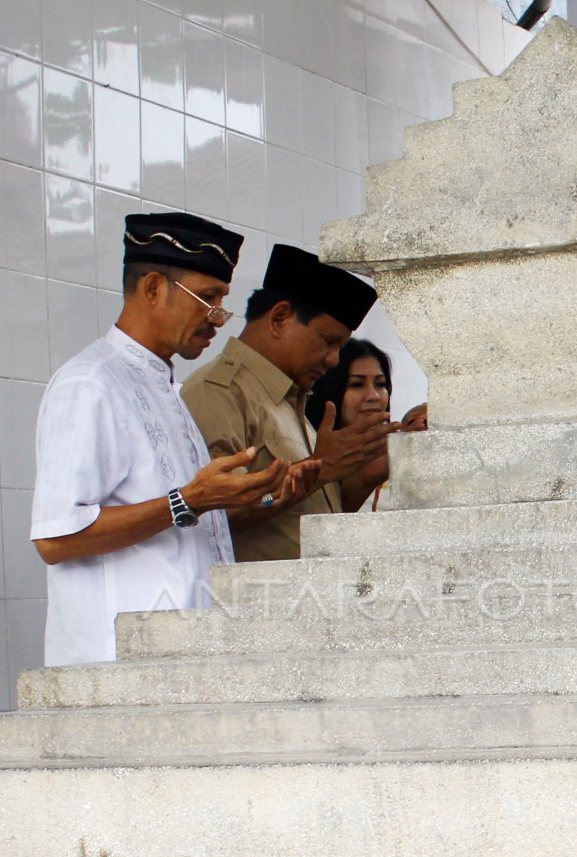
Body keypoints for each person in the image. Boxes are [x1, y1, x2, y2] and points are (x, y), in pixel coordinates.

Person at [31, 212, 318, 667]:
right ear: (153, 289)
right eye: (207, 299)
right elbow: (57, 538)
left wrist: (250, 497)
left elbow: (183, 515)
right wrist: (188, 501)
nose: (219, 318)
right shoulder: (90, 383)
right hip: (115, 663)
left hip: (179, 657)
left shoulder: (162, 385)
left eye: (222, 300)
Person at [183, 244, 397, 562]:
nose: (333, 360)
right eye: (329, 342)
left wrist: (362, 477)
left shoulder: (289, 402)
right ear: (280, 318)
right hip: (251, 603)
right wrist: (319, 471)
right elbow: (215, 514)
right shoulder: (218, 392)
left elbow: (305, 518)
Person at [305, 338, 428, 511]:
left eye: (381, 384)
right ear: (330, 389)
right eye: (357, 384)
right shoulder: (304, 447)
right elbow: (268, 501)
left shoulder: (396, 458)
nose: (374, 396)